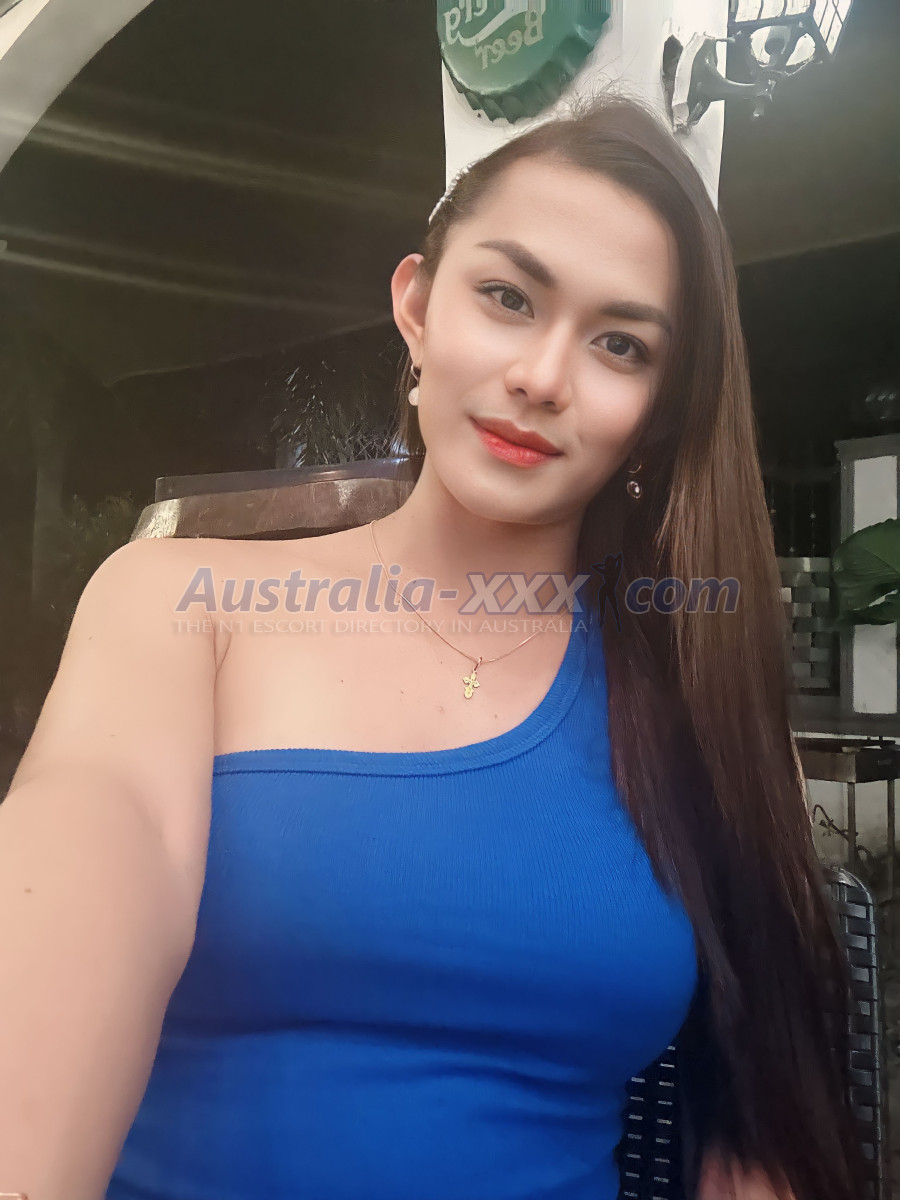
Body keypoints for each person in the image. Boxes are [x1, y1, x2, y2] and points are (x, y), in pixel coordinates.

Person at [0, 95, 866, 1200]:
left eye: (620, 344)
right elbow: (69, 907)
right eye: (508, 297)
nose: (543, 376)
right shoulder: (179, 605)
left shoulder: (702, 697)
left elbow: (764, 1120)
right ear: (416, 306)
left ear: (658, 408)